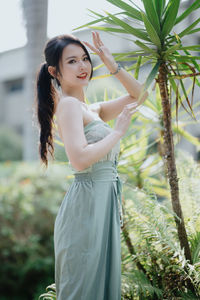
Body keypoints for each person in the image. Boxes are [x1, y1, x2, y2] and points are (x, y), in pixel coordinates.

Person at [35, 31, 148, 300]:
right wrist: (117, 133)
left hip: (102, 204)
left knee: (100, 287)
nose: (82, 66)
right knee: (84, 289)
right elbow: (79, 159)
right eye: (72, 61)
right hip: (85, 208)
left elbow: (140, 95)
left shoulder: (92, 109)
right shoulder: (69, 106)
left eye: (85, 59)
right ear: (54, 71)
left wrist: (112, 65)